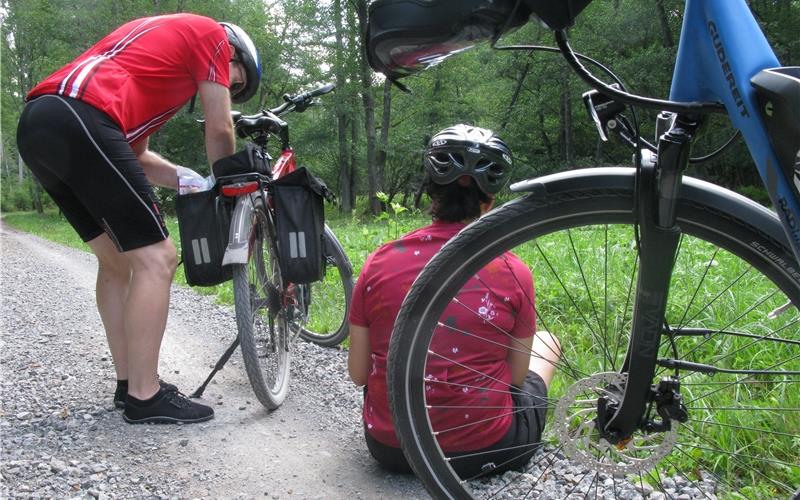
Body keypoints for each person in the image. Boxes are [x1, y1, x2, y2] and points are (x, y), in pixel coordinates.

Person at [16, 14, 262, 424]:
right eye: (236, 81)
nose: (229, 89)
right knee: (158, 258)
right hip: (81, 113)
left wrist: (188, 177)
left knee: (116, 261)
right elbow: (220, 130)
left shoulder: (154, 77)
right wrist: (226, 190)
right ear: (234, 51)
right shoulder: (212, 36)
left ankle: (129, 383)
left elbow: (137, 157)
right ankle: (145, 397)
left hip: (43, 123)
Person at [348, 124, 562, 477]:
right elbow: (517, 376)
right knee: (548, 342)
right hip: (487, 449)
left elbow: (358, 374)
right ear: (489, 200)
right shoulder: (513, 271)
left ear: (431, 191)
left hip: (392, 448)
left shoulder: (378, 262)